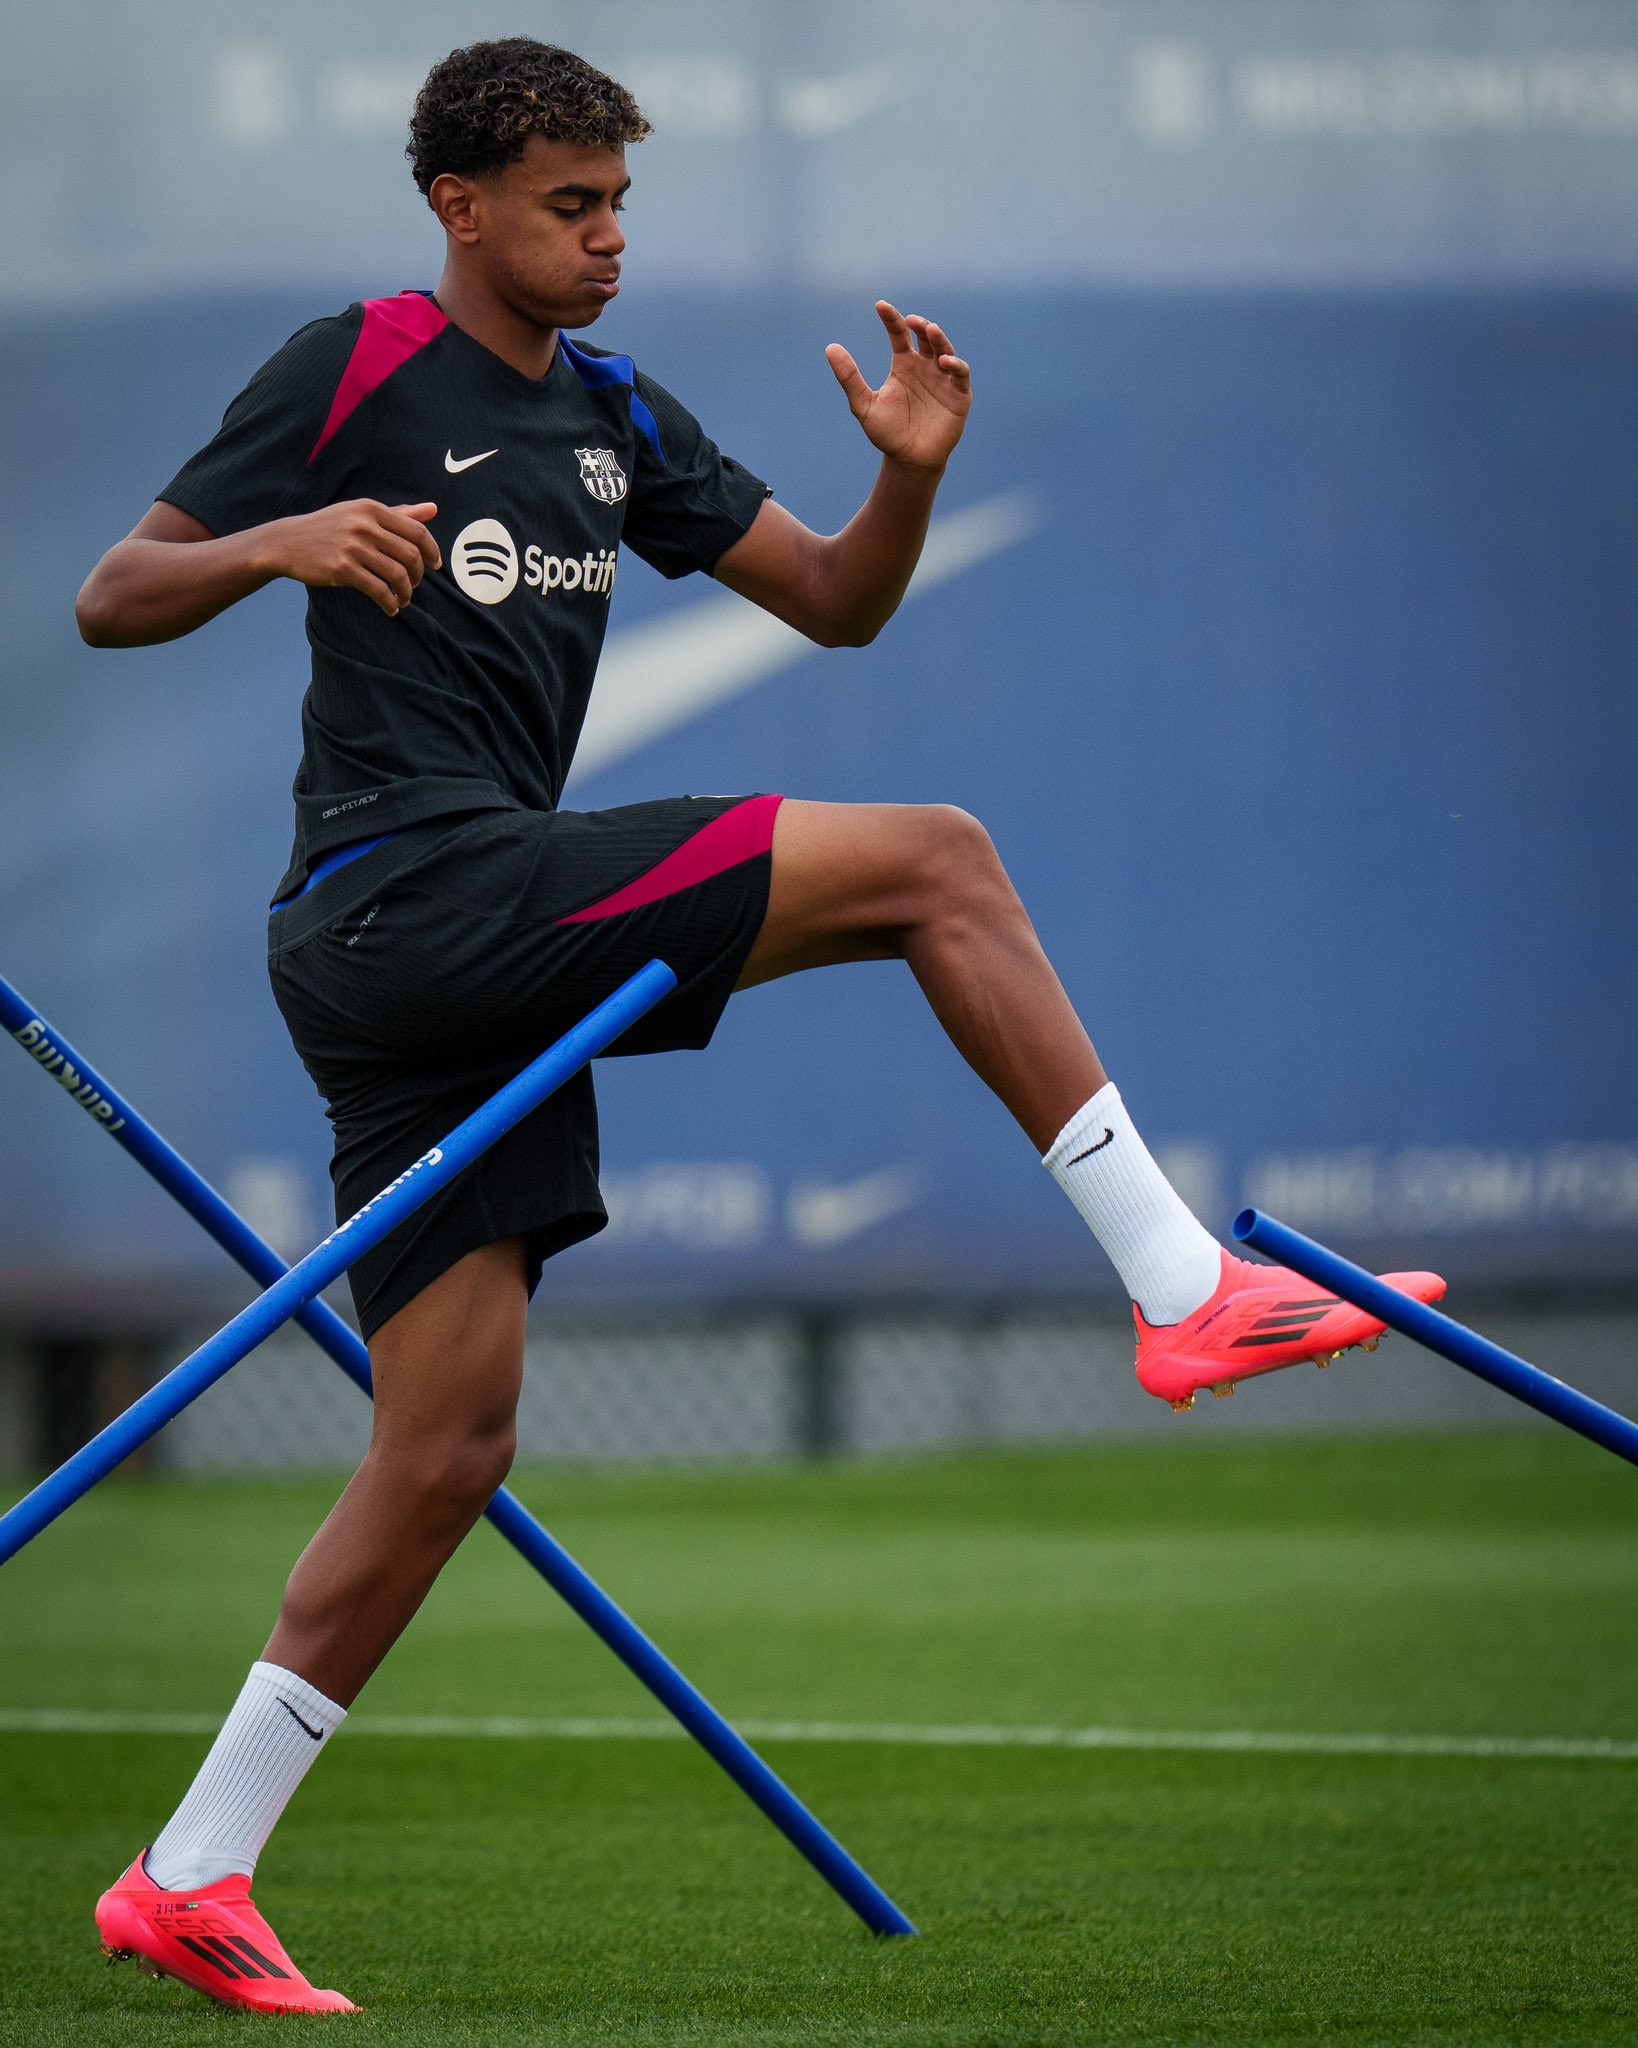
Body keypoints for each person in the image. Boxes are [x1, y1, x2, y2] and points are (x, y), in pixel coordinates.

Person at [72, 37, 1443, 2016]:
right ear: (460, 209)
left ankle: (189, 1871)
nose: (609, 237)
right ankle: (1179, 1286)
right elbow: (118, 594)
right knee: (941, 863)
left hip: (452, 940)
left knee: (447, 1445)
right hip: (400, 897)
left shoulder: (618, 410)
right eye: (570, 204)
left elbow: (833, 604)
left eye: (622, 201)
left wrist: (904, 476)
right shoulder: (355, 361)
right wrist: (275, 539)